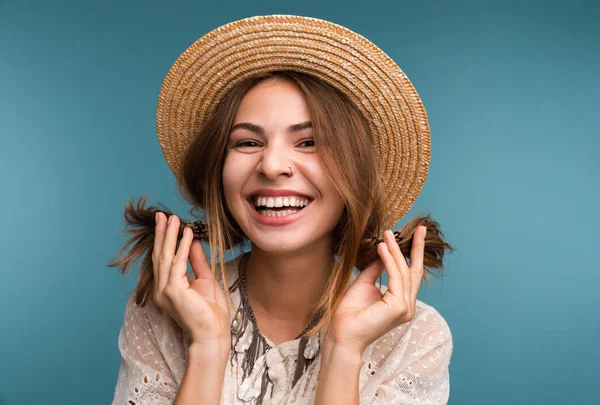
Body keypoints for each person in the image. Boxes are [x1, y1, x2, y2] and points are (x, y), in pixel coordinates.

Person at [108, 14, 455, 405]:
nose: (272, 165)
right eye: (247, 143)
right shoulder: (163, 313)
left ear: (354, 174)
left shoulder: (416, 337)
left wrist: (344, 350)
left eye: (308, 142)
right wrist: (206, 346)